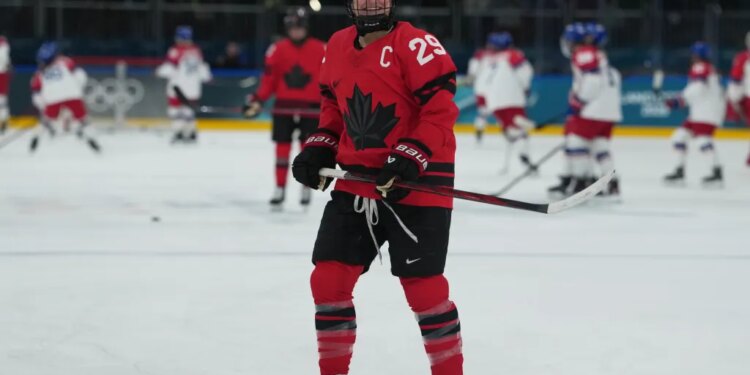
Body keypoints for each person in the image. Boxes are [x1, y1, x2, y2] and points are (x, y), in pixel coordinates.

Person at [291, 1, 463, 374]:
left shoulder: (417, 44)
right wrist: (321, 144)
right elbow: (333, 107)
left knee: (424, 288)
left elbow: (441, 109)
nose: (370, 3)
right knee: (328, 278)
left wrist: (412, 153)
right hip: (357, 182)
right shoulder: (336, 45)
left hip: (419, 182)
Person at [243, 7, 326, 209]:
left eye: (300, 27)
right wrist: (257, 100)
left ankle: (307, 187)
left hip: (311, 108)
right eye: (292, 27)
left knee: (308, 152)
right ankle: (279, 189)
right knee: (282, 150)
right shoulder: (277, 49)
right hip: (283, 107)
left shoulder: (322, 49)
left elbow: (329, 81)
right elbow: (269, 80)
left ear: (306, 28)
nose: (296, 31)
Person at [548, 22, 622, 198]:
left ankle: (581, 182)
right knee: (599, 145)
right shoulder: (600, 55)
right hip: (608, 111)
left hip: (592, 110)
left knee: (575, 142)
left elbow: (592, 80)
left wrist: (579, 101)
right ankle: (612, 183)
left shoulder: (585, 53)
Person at [663, 42, 725, 186]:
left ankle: (716, 172)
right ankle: (679, 170)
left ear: (698, 55)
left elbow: (697, 88)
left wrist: (678, 101)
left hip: (705, 113)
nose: (692, 57)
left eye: (694, 54)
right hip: (703, 112)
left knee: (703, 140)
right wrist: (680, 100)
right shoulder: (710, 69)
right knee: (679, 136)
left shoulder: (701, 67)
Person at [29, 42, 100, 153]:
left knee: (46, 120)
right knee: (83, 119)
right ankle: (91, 139)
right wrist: (78, 89)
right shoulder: (65, 62)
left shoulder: (39, 73)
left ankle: (35, 138)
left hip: (53, 98)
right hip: (72, 95)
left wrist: (42, 106)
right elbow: (81, 76)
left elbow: (36, 94)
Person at [482, 31, 536, 173]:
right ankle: (525, 158)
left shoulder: (491, 59)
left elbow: (483, 82)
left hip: (496, 103)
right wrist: (525, 87)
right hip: (512, 100)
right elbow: (527, 72)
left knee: (511, 132)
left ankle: (515, 161)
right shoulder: (510, 54)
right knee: (517, 131)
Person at [155, 26, 212, 144]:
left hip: (178, 87)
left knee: (175, 110)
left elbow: (170, 68)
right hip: (193, 89)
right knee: (189, 111)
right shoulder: (196, 50)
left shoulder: (176, 50)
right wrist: (207, 77)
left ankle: (179, 132)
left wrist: (159, 72)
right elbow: (202, 69)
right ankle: (191, 132)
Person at [467, 33, 499, 142]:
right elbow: (473, 68)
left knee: (487, 111)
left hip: (489, 88)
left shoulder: (484, 55)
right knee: (485, 111)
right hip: (485, 89)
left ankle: (480, 129)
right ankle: (480, 130)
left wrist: (471, 77)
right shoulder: (481, 55)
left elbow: (473, 69)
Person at [726, 31, 750, 166]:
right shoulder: (743, 58)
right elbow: (736, 80)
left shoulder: (742, 58)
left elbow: (735, 80)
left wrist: (734, 99)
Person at [0, 35, 10, 134]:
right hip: (2, 73)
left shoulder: (2, 41)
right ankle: (4, 121)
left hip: (1, 73)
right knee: (2, 99)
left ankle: (4, 121)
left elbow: (4, 59)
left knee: (2, 99)